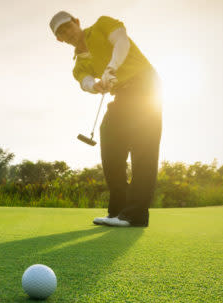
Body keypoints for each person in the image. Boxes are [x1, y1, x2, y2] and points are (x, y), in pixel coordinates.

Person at [50, 11, 162, 227]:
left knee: (143, 148)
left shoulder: (103, 24)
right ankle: (118, 210)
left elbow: (121, 42)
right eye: (61, 32)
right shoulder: (78, 65)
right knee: (110, 142)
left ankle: (136, 214)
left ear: (77, 22)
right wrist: (97, 85)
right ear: (59, 39)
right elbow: (85, 81)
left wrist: (111, 68)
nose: (67, 32)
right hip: (121, 94)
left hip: (146, 85)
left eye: (68, 26)